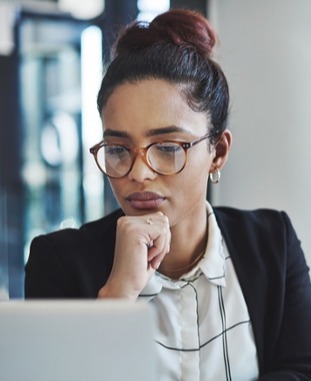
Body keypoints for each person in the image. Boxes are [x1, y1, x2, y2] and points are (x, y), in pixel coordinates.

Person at [25, 8, 311, 381]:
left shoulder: (273, 243)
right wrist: (116, 297)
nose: (139, 172)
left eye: (167, 147)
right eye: (117, 149)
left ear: (218, 152)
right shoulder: (58, 263)